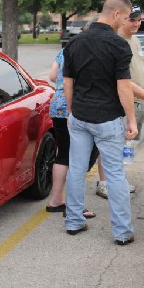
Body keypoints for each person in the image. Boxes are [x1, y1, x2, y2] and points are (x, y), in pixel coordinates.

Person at [63, 0, 137, 245]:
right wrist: (132, 121)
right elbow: (124, 87)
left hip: (80, 116)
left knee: (76, 168)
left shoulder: (74, 42)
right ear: (116, 14)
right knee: (115, 175)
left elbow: (67, 83)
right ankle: (122, 232)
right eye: (126, 17)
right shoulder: (118, 46)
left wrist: (72, 111)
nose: (127, 21)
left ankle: (73, 221)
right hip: (107, 119)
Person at [95, 4, 144, 198]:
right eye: (132, 19)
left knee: (126, 145)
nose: (136, 23)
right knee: (111, 145)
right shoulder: (115, 42)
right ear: (122, 18)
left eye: (139, 19)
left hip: (138, 102)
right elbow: (120, 81)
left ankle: (119, 179)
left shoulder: (135, 41)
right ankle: (104, 182)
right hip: (121, 102)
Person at [45, 48, 96, 219]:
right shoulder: (88, 51)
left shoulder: (64, 50)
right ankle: (74, 206)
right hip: (75, 105)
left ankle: (56, 200)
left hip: (57, 104)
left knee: (63, 153)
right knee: (79, 157)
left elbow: (53, 76)